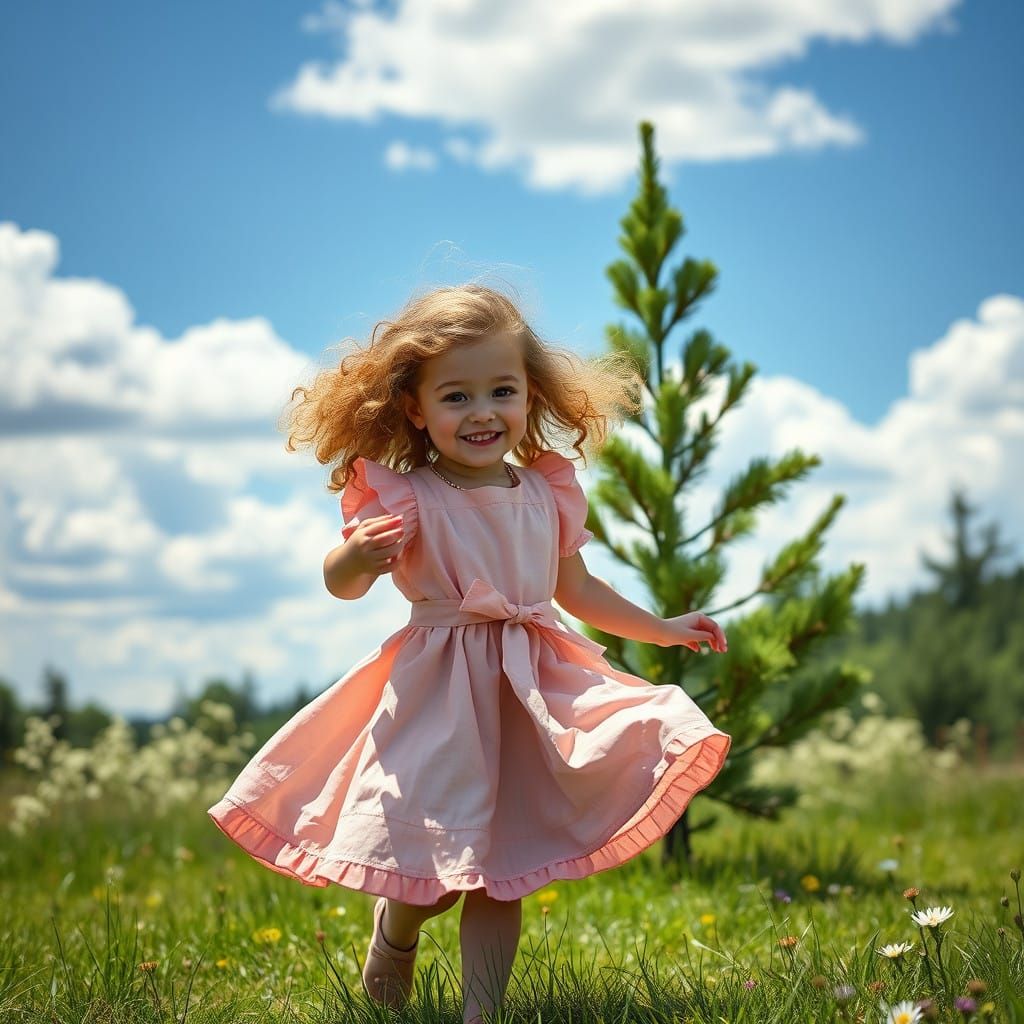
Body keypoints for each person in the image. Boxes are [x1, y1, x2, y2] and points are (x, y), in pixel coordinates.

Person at [207, 283, 733, 1024]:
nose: (482, 412)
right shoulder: (409, 498)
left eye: (502, 391)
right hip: (441, 694)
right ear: (416, 409)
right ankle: (396, 930)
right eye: (456, 397)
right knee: (440, 870)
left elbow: (575, 589)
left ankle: (480, 1013)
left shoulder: (547, 490)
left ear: (531, 395)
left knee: (499, 872)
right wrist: (356, 556)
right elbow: (342, 585)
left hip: (532, 684)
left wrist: (663, 628)